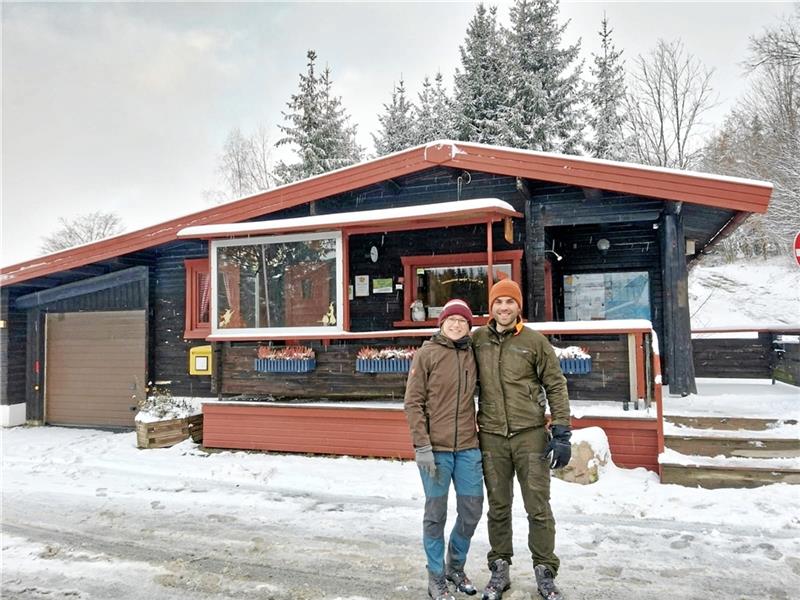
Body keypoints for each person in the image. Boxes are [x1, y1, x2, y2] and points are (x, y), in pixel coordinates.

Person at [472, 280, 571, 600]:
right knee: (498, 507)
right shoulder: (477, 340)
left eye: (509, 302)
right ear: (491, 307)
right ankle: (499, 568)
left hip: (530, 436)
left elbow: (555, 384)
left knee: (538, 507)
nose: (504, 307)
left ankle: (545, 570)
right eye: (498, 302)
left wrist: (562, 430)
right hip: (492, 437)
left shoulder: (534, 342)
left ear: (518, 306)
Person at [405, 299, 484, 600]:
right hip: (435, 450)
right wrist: (422, 445)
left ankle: (456, 566)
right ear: (441, 323)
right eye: (451, 320)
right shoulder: (427, 354)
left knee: (471, 510)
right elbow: (413, 403)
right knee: (436, 514)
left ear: (469, 327)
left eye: (462, 321)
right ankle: (436, 575)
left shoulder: (473, 353)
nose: (456, 325)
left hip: (467, 447)